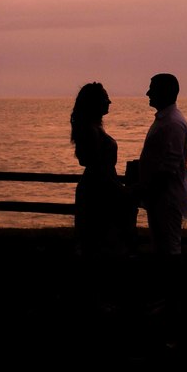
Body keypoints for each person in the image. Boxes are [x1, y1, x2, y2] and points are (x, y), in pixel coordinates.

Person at [70, 82, 130, 258]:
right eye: (105, 98)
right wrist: (120, 190)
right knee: (100, 240)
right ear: (94, 103)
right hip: (97, 190)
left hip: (98, 187)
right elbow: (97, 166)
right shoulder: (90, 130)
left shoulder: (92, 128)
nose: (109, 102)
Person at [137, 73, 187, 257]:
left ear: (164, 92)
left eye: (152, 89)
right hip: (160, 196)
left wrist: (144, 189)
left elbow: (169, 167)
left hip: (166, 198)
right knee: (162, 247)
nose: (148, 93)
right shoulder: (168, 120)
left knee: (168, 249)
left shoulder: (172, 123)